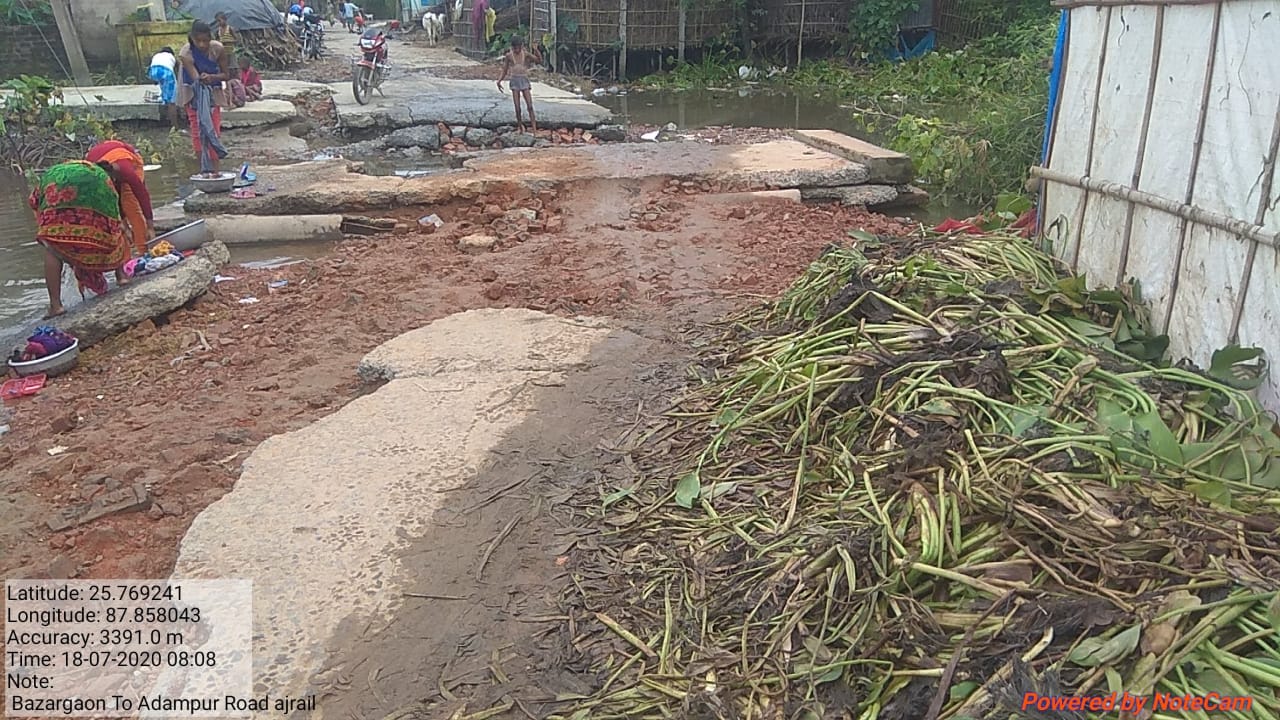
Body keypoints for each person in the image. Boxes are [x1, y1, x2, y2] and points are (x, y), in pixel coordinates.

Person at [27, 161, 132, 319]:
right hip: (95, 183)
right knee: (112, 224)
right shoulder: (102, 176)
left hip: (55, 187)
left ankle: (56, 305)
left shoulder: (56, 172)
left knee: (52, 247)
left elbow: (33, 202)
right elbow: (116, 216)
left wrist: (53, 236)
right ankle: (121, 276)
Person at [178, 20, 232, 177]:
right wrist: (203, 79)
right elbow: (196, 79)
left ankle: (216, 172)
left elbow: (226, 75)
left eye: (205, 41)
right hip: (193, 93)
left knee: (213, 130)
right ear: (192, 39)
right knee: (198, 130)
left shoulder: (218, 49)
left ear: (211, 38)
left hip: (213, 91)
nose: (202, 45)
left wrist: (212, 77)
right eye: (198, 41)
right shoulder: (186, 54)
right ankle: (204, 172)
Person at [85, 140, 155, 257]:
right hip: (103, 161)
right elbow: (112, 200)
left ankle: (143, 249)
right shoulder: (94, 175)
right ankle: (126, 251)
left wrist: (150, 227)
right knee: (115, 215)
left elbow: (142, 195)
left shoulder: (127, 171)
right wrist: (124, 225)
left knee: (130, 203)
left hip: (130, 160)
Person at [497, 36, 541, 133]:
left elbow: (538, 60)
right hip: (514, 81)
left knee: (530, 106)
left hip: (524, 80)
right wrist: (499, 81)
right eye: (515, 48)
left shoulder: (525, 54)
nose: (517, 50)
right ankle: (520, 127)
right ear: (512, 47)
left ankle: (535, 130)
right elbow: (505, 70)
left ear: (521, 46)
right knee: (517, 107)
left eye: (518, 48)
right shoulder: (509, 56)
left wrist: (536, 50)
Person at [147, 45, 179, 129]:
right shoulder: (172, 57)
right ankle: (175, 126)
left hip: (153, 71)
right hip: (166, 71)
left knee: (164, 90)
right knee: (172, 101)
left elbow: (152, 68)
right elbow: (177, 72)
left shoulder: (156, 55)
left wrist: (155, 80)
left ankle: (165, 118)